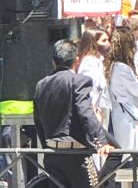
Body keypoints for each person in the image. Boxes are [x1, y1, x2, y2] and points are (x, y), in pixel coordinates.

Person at [33, 39, 118, 188]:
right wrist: (101, 141)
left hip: (52, 154)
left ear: (54, 62)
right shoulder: (79, 81)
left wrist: (47, 145)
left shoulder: (41, 84)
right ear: (77, 60)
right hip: (76, 155)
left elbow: (38, 120)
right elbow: (85, 112)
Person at [105, 27, 138, 151]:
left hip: (121, 115)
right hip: (127, 118)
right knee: (133, 153)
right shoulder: (121, 68)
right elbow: (136, 89)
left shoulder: (113, 66)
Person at [77, 28, 111, 127]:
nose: (108, 44)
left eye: (108, 40)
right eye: (104, 40)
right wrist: (94, 113)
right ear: (93, 43)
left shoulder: (97, 61)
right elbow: (88, 92)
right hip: (93, 119)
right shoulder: (89, 63)